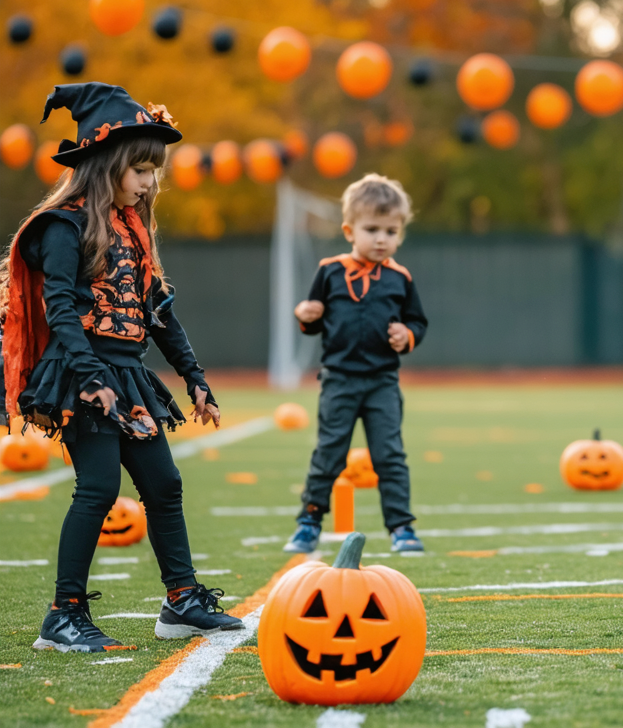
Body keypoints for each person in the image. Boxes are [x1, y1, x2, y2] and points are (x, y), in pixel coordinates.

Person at [3, 83, 239, 652]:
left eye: (154, 171)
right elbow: (60, 308)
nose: (150, 182)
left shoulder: (133, 228)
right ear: (105, 165)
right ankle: (63, 615)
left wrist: (196, 379)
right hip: (80, 372)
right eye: (140, 170)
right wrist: (89, 378)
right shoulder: (63, 227)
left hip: (128, 374)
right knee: (99, 487)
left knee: (164, 484)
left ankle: (181, 601)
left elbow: (159, 313)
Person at [284, 174, 428, 554]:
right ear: (349, 230)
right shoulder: (329, 271)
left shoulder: (400, 278)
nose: (382, 239)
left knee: (390, 456)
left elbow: (418, 322)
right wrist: (306, 314)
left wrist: (407, 335)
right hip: (340, 381)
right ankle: (309, 521)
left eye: (391, 231)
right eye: (372, 229)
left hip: (383, 382)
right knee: (329, 453)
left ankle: (401, 527)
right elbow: (312, 322)